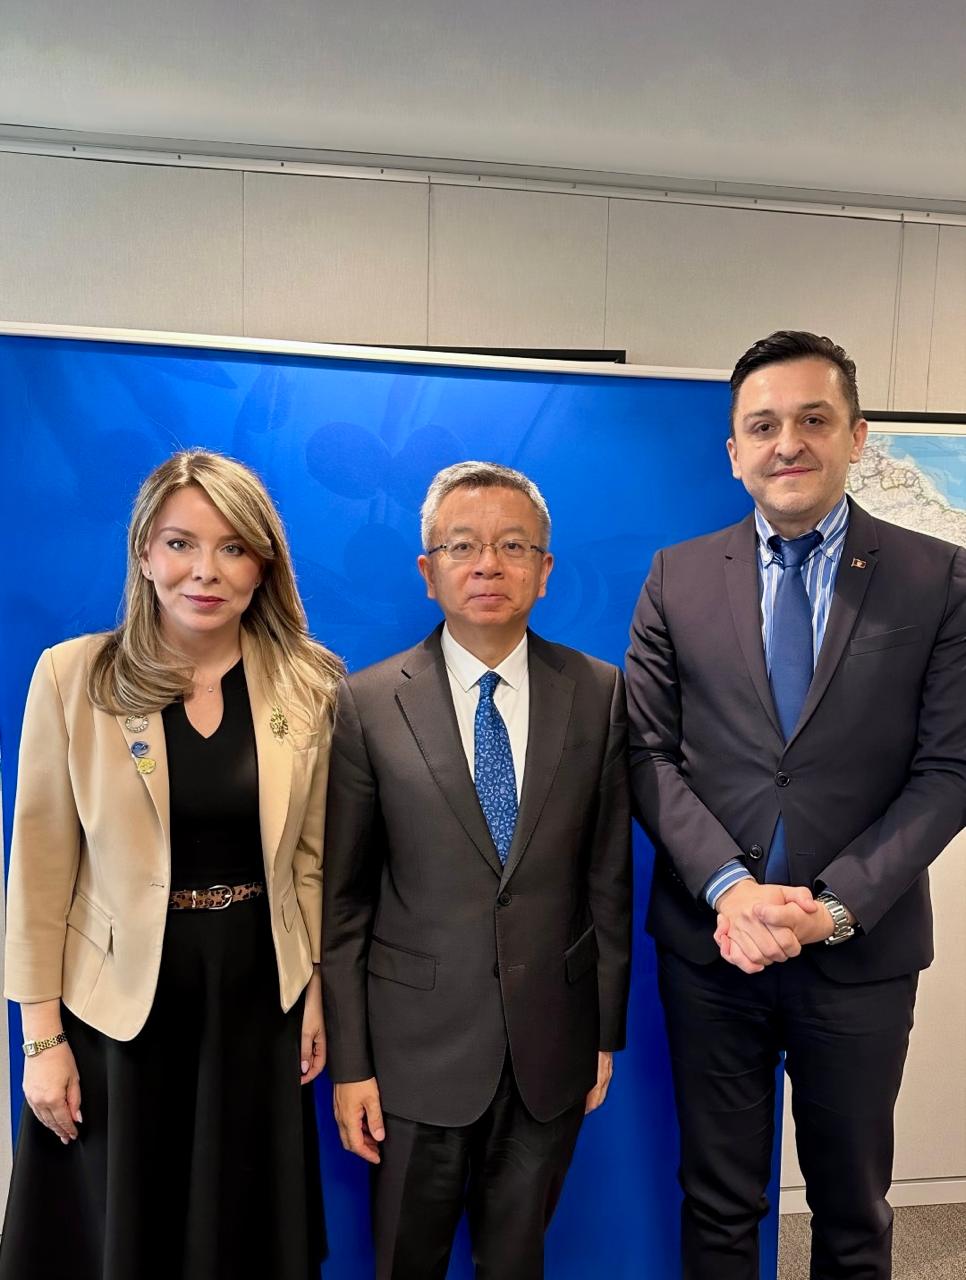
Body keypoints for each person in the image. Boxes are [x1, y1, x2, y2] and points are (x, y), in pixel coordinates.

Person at [625, 330, 966, 1279]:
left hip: (860, 953)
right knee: (719, 1201)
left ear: (856, 436)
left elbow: (950, 768)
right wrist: (731, 890)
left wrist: (836, 906)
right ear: (733, 452)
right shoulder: (677, 577)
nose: (789, 443)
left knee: (852, 1209)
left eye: (814, 419)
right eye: (764, 425)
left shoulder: (937, 579)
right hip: (714, 950)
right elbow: (647, 754)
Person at [1, 450, 342, 1280]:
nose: (205, 571)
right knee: (125, 1236)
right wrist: (39, 1039)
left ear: (264, 565)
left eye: (233, 548)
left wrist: (316, 990)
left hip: (257, 1001)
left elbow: (312, 862)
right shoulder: (74, 676)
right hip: (117, 1011)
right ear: (145, 554)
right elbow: (38, 873)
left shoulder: (311, 685)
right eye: (181, 544)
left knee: (241, 1232)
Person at [322, 461, 632, 1280]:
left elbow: (608, 879)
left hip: (551, 1047)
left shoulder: (600, 694)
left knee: (517, 1260)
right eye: (463, 546)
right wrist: (352, 1064)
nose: (488, 564)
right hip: (411, 1056)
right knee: (405, 1261)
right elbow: (344, 905)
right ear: (429, 572)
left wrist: (603, 1033)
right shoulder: (365, 703)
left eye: (513, 546)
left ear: (545, 569)